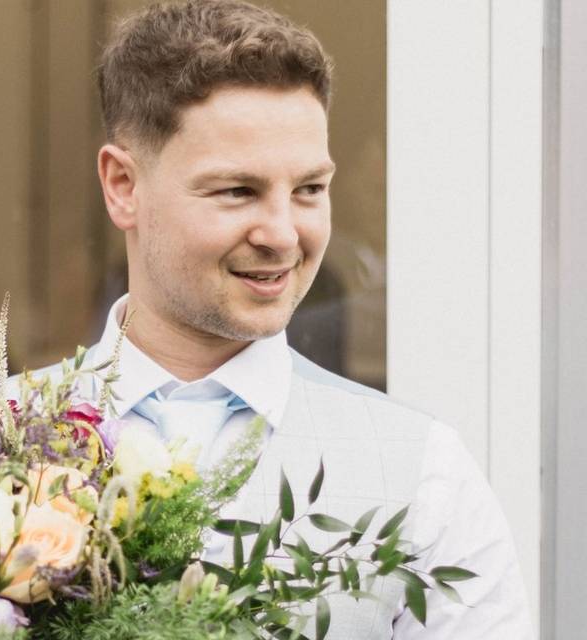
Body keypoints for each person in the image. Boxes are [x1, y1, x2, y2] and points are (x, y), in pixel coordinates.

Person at [56, 1, 530, 637]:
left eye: (309, 189)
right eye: (237, 191)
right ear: (122, 186)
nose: (283, 235)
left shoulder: (424, 470)